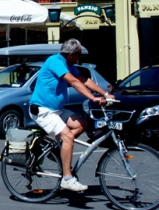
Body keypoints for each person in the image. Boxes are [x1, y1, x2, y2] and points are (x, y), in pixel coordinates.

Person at [28, 39, 113, 192]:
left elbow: (84, 79)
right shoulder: (55, 61)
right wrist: (93, 98)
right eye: (79, 55)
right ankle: (67, 179)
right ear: (72, 54)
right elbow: (73, 82)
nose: (79, 58)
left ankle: (57, 149)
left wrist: (105, 94)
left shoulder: (69, 64)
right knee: (68, 136)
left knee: (81, 124)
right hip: (43, 110)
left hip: (56, 109)